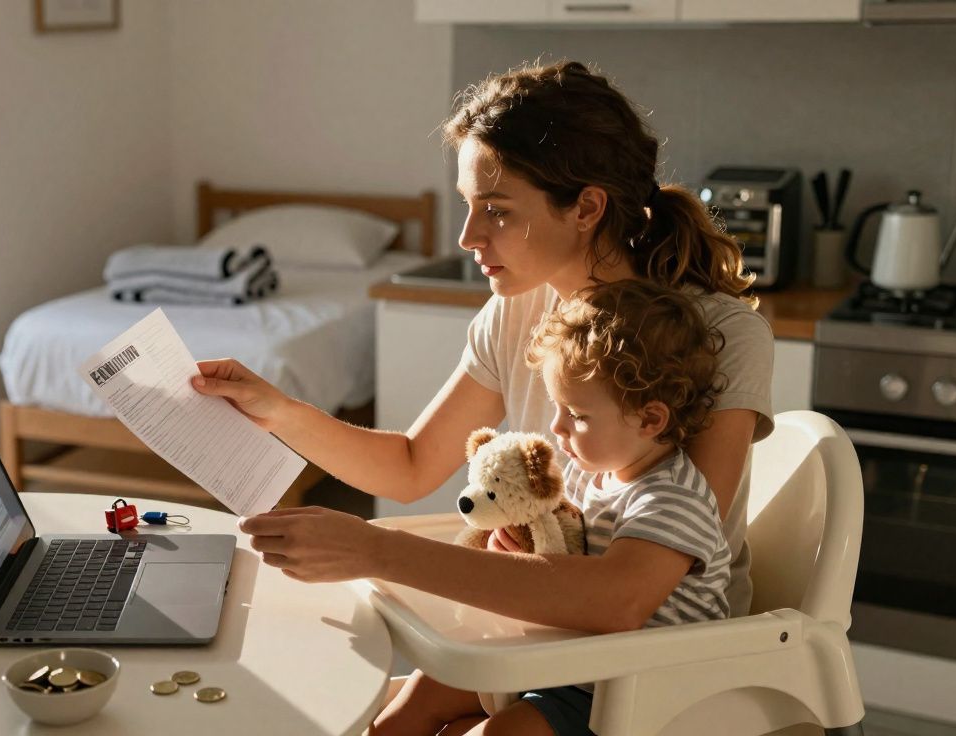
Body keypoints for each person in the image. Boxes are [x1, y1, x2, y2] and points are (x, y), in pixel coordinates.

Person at [190, 59, 774, 733]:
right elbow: (412, 465)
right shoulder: (519, 309)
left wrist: (373, 550)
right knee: (382, 722)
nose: (468, 237)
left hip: (658, 660)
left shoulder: (719, 336)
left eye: (496, 210)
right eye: (469, 206)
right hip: (552, 629)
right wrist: (279, 412)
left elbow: (629, 592)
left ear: (587, 208)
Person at [384, 279, 735, 735]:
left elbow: (619, 604)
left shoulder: (673, 501)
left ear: (650, 419)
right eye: (557, 406)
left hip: (631, 696)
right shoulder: (591, 473)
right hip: (564, 663)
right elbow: (564, 560)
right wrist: (519, 554)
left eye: (578, 415)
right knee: (421, 695)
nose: (556, 426)